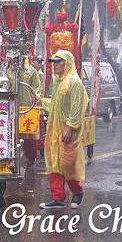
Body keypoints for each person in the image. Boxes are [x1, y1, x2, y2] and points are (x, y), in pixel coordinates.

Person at [37, 50, 89, 209]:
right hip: (55, 130)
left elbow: (77, 108)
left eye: (58, 61)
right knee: (54, 163)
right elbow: (55, 104)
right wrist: (41, 101)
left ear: (67, 63)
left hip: (67, 132)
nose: (55, 65)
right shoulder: (59, 82)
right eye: (53, 62)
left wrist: (70, 127)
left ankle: (78, 191)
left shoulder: (74, 82)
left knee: (68, 164)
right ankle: (58, 197)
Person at [9, 58, 42, 166]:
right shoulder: (10, 71)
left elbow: (37, 87)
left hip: (28, 107)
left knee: (28, 134)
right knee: (13, 133)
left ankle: (31, 157)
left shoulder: (32, 71)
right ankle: (13, 157)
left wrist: (35, 96)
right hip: (14, 107)